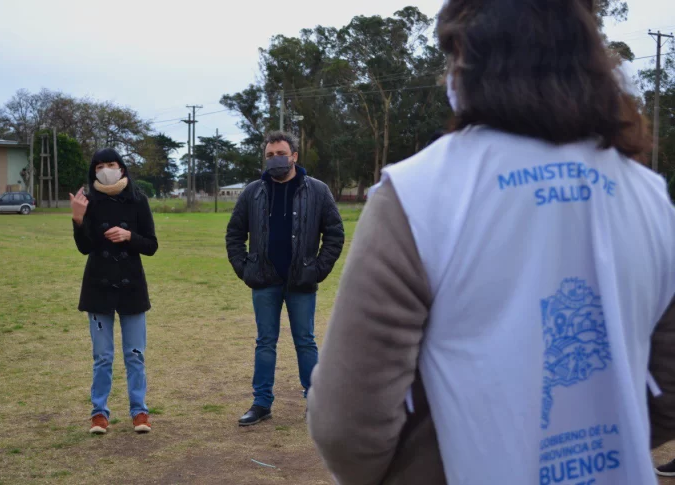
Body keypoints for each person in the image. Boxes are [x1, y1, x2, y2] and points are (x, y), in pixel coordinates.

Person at [307, 1, 675, 484]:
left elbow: (346, 425)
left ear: (465, 56)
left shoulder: (419, 195)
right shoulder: (649, 196)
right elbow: (667, 386)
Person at [226, 131, 344, 426]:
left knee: (305, 341)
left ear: (294, 156)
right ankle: (261, 403)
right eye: (269, 155)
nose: (275, 159)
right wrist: (245, 268)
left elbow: (334, 233)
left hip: (301, 281)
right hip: (264, 280)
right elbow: (234, 234)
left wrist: (316, 269)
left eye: (280, 153)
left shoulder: (317, 190)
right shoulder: (253, 192)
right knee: (265, 342)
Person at [70, 148, 158, 435]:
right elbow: (85, 247)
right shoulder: (88, 201)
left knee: (135, 354)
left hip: (131, 287)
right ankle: (99, 414)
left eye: (111, 164)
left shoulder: (137, 199)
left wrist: (129, 236)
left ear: (122, 168)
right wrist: (78, 218)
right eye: (100, 165)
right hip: (98, 286)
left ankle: (139, 411)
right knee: (103, 356)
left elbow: (151, 245)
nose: (106, 169)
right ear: (93, 170)